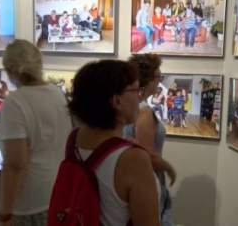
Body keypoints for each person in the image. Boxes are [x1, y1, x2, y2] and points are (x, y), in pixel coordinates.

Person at [68, 59, 160, 226]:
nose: (139, 98)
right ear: (117, 101)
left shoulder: (74, 139)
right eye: (136, 91)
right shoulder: (134, 159)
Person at [0, 39, 74, 226]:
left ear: (10, 70)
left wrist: (4, 215)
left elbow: (15, 165)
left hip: (30, 201)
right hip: (58, 194)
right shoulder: (56, 94)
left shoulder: (16, 102)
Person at [124, 53, 176, 226]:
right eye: (158, 77)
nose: (159, 82)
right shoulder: (144, 112)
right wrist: (169, 167)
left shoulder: (128, 107)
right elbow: (147, 157)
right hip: (148, 183)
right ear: (146, 80)